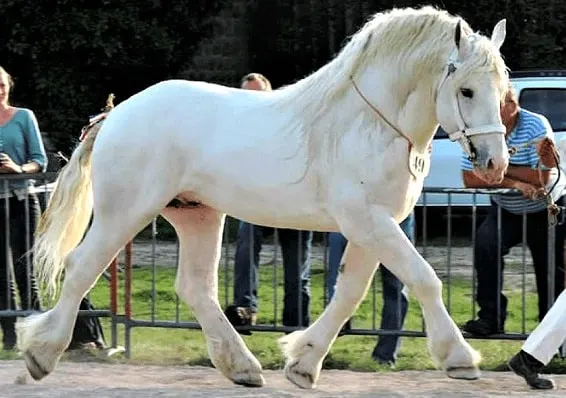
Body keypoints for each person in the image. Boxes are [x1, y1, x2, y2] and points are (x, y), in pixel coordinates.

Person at [462, 83, 566, 337]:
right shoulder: (480, 129)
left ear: (511, 106)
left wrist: (495, 170)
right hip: (505, 207)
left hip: (545, 208)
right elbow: (470, 178)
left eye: (495, 105)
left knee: (550, 268)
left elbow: (540, 176)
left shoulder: (535, 124)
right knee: (486, 247)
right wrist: (515, 181)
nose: (490, 112)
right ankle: (490, 318)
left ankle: (549, 333)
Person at [224, 73, 312, 333]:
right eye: (247, 96)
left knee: (297, 271)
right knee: (245, 245)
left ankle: (295, 329)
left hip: (295, 203)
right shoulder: (237, 128)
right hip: (258, 201)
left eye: (258, 95)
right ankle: (245, 310)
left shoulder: (291, 121)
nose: (252, 101)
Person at [327, 212, 414, 367]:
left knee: (339, 282)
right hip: (391, 221)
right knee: (396, 291)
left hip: (358, 218)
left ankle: (324, 343)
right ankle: (385, 356)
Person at [0, 66, 48, 350]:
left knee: (24, 268)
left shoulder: (24, 117)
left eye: (2, 84)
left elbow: (39, 160)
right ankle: (9, 337)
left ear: (9, 85)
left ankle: (36, 334)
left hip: (21, 198)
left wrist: (17, 168)